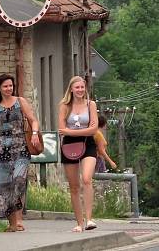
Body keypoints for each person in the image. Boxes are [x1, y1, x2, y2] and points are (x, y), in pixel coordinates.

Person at [0, 73, 40, 232]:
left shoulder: (21, 102)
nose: (9, 88)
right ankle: (12, 223)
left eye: (11, 86)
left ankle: (19, 219)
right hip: (1, 149)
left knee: (18, 181)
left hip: (20, 146)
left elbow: (33, 119)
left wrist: (34, 134)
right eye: (5, 86)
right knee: (5, 185)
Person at [58, 76, 99, 232]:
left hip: (88, 143)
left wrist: (72, 131)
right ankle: (79, 222)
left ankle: (89, 219)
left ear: (85, 88)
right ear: (71, 89)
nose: (80, 90)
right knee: (74, 186)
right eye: (77, 88)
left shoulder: (91, 105)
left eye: (82, 87)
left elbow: (94, 129)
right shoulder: (64, 106)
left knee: (87, 178)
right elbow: (62, 130)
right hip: (69, 145)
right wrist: (78, 131)